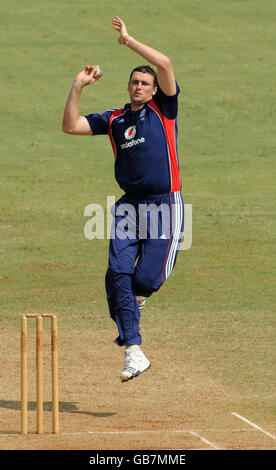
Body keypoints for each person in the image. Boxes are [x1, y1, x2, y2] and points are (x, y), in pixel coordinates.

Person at [62, 16, 184, 382]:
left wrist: (127, 40)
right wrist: (76, 86)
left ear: (153, 90)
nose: (139, 86)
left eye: (145, 83)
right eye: (134, 81)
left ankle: (135, 302)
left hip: (165, 202)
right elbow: (71, 125)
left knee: (145, 280)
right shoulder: (114, 119)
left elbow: (164, 63)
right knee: (117, 273)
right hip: (129, 205)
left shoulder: (164, 109)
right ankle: (134, 350)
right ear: (128, 85)